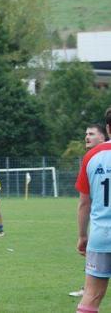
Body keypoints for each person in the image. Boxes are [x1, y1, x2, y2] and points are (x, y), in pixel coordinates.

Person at [75, 108, 111, 313]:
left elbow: (84, 203)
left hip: (100, 236)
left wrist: (82, 235)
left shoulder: (92, 156)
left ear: (107, 128)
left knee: (91, 297)